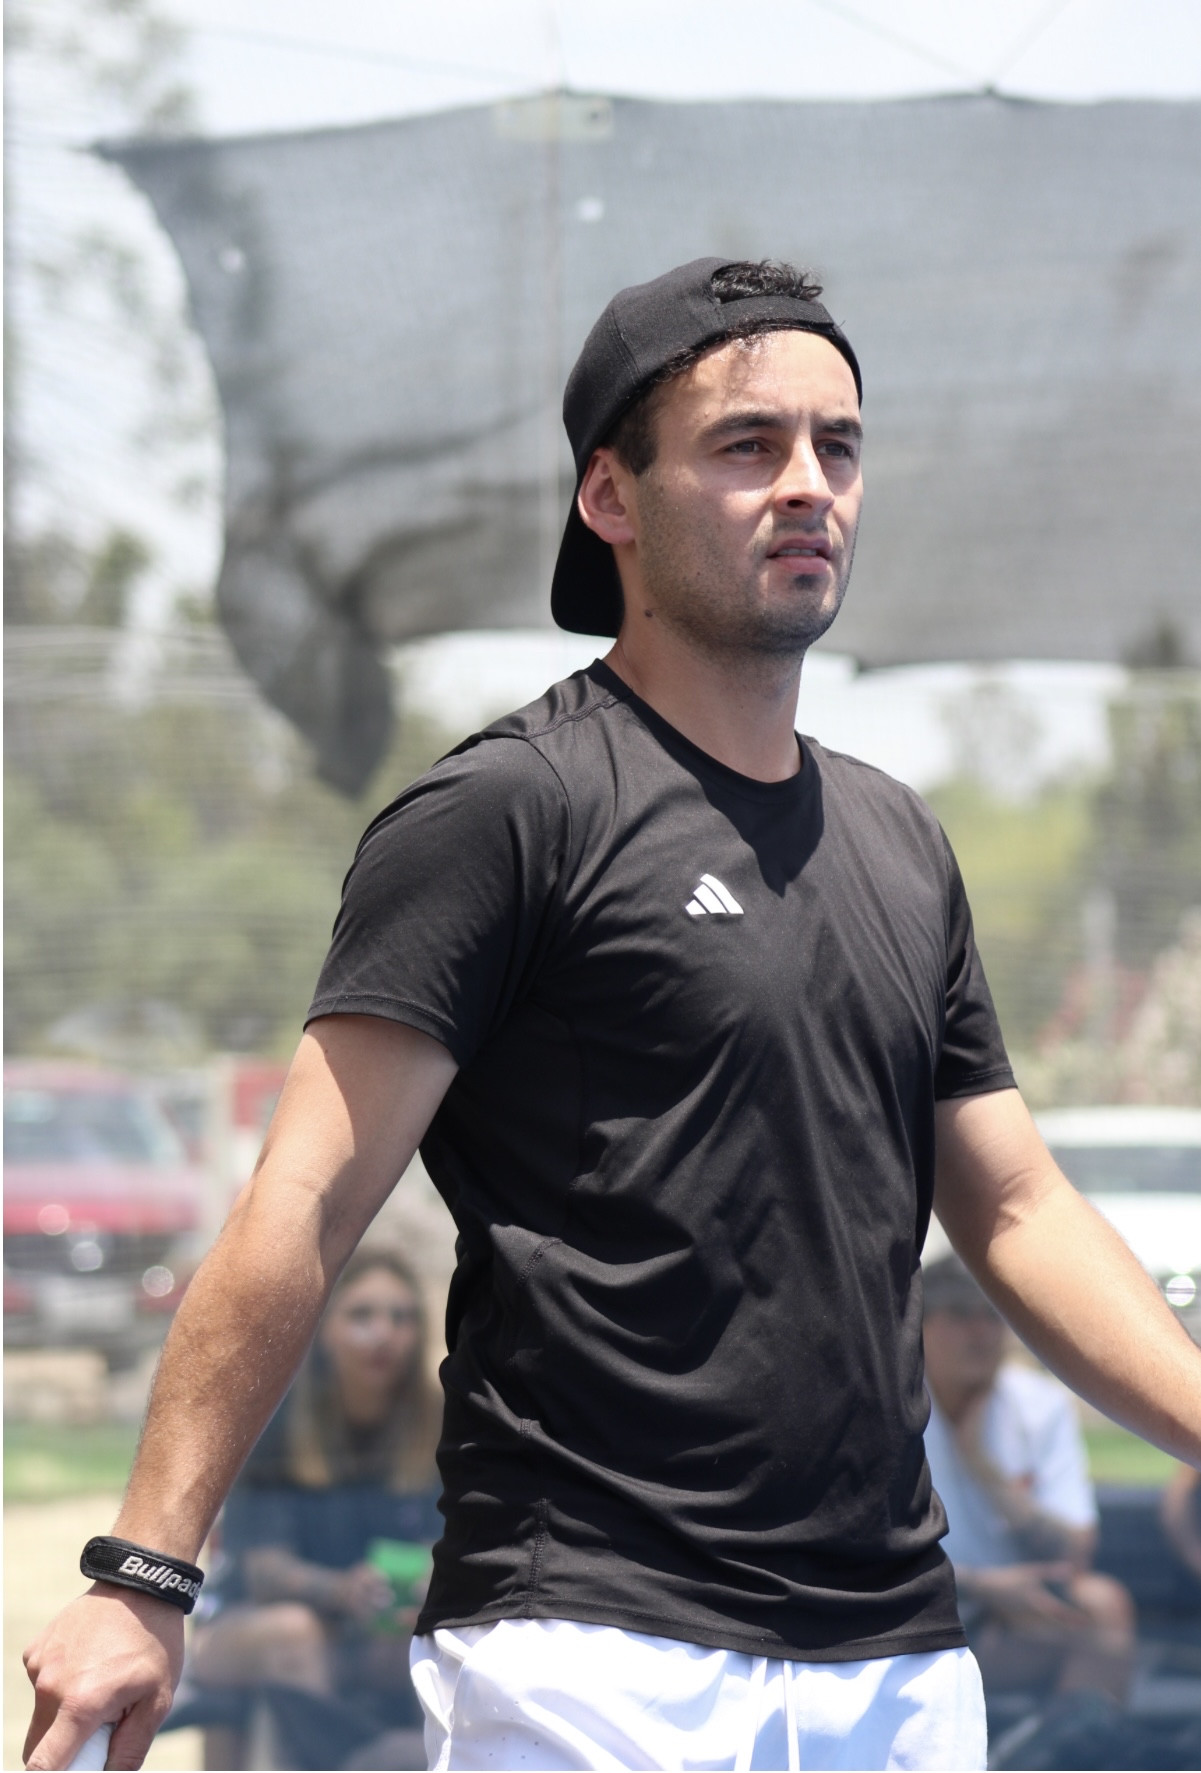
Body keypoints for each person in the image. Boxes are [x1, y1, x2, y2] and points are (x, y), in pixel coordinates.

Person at [23, 257, 1201, 1773]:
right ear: (609, 497)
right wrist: (144, 1572)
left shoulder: (903, 843)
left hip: (898, 1660)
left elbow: (1019, 1207)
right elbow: (301, 1207)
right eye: (747, 445)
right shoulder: (507, 811)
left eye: (838, 447)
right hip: (589, 1654)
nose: (807, 485)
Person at [186, 1247, 441, 1767]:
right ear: (324, 1328)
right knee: (296, 1633)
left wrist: (422, 1584)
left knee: (420, 1634)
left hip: (370, 1626)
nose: (384, 1333)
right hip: (244, 1623)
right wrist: (341, 1589)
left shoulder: (435, 1422)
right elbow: (262, 1572)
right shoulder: (276, 1419)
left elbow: (443, 1541)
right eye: (362, 1315)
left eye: (402, 1317)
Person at [921, 1254, 1136, 1709]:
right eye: (960, 1314)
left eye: (992, 1314)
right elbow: (863, 1549)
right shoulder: (888, 1412)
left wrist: (985, 1469)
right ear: (919, 1325)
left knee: (1103, 1604)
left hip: (1011, 1613)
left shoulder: (1039, 1405)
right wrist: (982, 1585)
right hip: (914, 1609)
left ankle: (1065, 1743)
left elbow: (1076, 1550)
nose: (981, 1332)